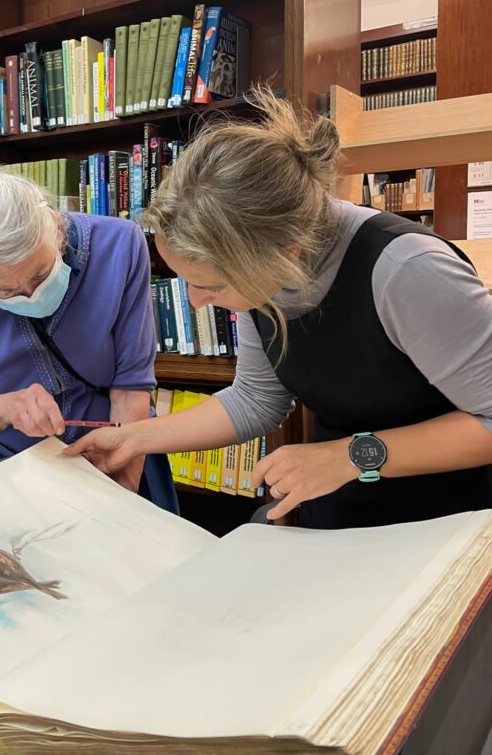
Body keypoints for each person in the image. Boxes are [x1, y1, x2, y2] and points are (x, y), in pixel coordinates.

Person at [66, 89, 492, 529]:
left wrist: (349, 456)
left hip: (452, 521)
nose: (194, 301)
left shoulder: (408, 272)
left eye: (210, 285)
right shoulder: (264, 274)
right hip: (344, 502)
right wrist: (135, 439)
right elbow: (257, 399)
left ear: (284, 253)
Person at [0, 168, 178, 513]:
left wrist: (121, 497)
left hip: (116, 457)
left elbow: (131, 387)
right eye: (5, 291)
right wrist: (6, 407)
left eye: (39, 274)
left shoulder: (120, 245)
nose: (30, 294)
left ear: (55, 225)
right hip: (14, 475)